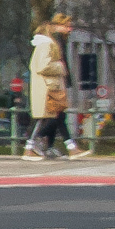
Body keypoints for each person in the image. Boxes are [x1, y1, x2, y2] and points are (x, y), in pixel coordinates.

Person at [24, 14, 73, 159]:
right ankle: (32, 145)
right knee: (50, 116)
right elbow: (43, 65)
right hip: (49, 86)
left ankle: (47, 146)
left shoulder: (55, 41)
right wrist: (61, 68)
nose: (70, 29)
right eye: (67, 26)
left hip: (54, 84)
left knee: (56, 115)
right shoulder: (49, 42)